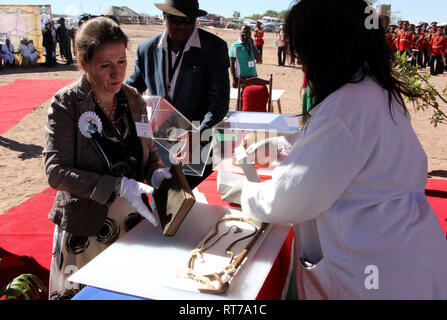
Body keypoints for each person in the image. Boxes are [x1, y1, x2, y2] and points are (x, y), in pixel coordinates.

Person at [222, 0, 447, 299]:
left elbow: (287, 200)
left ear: (326, 50)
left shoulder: (346, 107)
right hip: (404, 254)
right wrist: (279, 146)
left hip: (372, 273)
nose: (303, 64)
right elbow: (341, 151)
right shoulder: (372, 89)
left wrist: (247, 192)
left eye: (303, 54)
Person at [44, 17, 172, 300]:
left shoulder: (134, 100)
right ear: (84, 62)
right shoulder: (66, 104)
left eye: (122, 63)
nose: (117, 75)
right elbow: (55, 171)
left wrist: (156, 172)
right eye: (105, 66)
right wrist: (116, 185)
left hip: (132, 224)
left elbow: (148, 153)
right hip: (86, 229)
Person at [126, 0, 230, 189]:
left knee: (194, 202)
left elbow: (220, 102)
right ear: (163, 17)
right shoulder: (146, 49)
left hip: (198, 147)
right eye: (174, 19)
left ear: (196, 20)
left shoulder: (214, 48)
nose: (182, 25)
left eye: (188, 20)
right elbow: (133, 89)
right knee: (162, 199)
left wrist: (198, 134)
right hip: (159, 149)